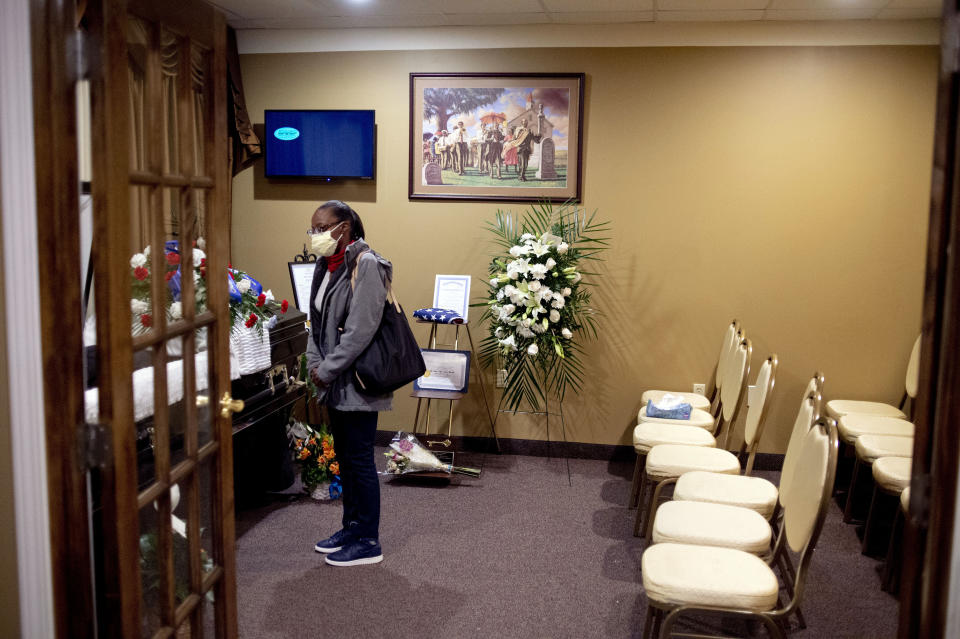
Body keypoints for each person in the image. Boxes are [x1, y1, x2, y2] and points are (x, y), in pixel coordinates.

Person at [306, 199, 392, 567]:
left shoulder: (368, 265)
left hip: (356, 381)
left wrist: (327, 369)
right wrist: (315, 362)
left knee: (359, 460)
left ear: (345, 227)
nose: (316, 236)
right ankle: (351, 527)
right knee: (345, 457)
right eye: (313, 229)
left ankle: (369, 541)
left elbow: (360, 331)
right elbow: (316, 318)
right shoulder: (326, 265)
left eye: (322, 228)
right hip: (333, 380)